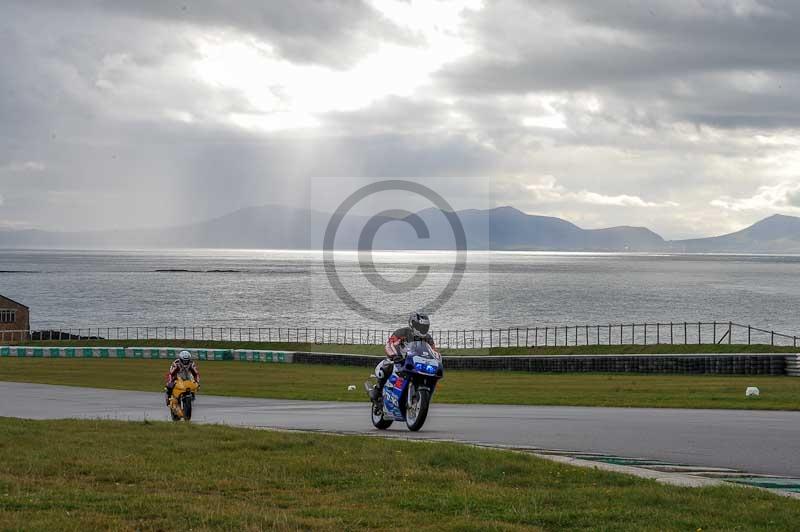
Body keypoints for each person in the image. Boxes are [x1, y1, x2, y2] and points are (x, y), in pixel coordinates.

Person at [369, 311, 436, 402]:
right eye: (420, 327)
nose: (423, 329)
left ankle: (421, 397)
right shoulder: (401, 333)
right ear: (413, 324)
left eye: (425, 327)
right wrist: (394, 355)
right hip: (399, 359)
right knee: (387, 365)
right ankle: (378, 389)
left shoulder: (428, 338)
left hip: (416, 362)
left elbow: (433, 350)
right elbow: (389, 345)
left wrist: (437, 359)